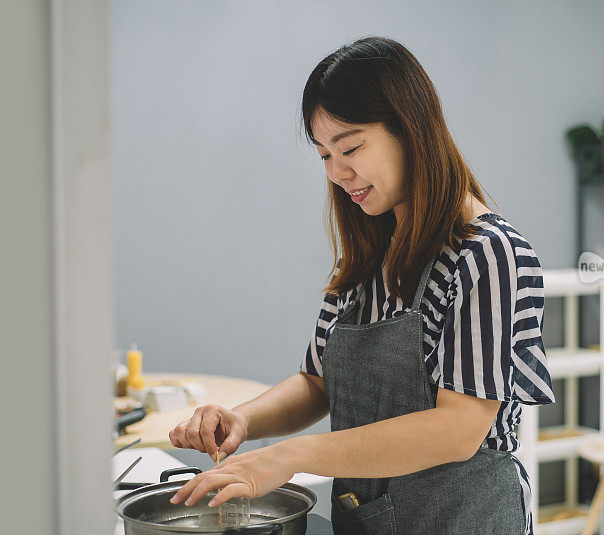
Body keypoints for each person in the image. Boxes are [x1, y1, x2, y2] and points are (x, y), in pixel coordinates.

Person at [168, 36, 554, 535]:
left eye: (350, 147)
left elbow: (457, 429)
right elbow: (317, 381)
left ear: (411, 129)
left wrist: (292, 457)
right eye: (325, 154)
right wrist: (243, 420)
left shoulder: (488, 252)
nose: (337, 173)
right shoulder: (370, 253)